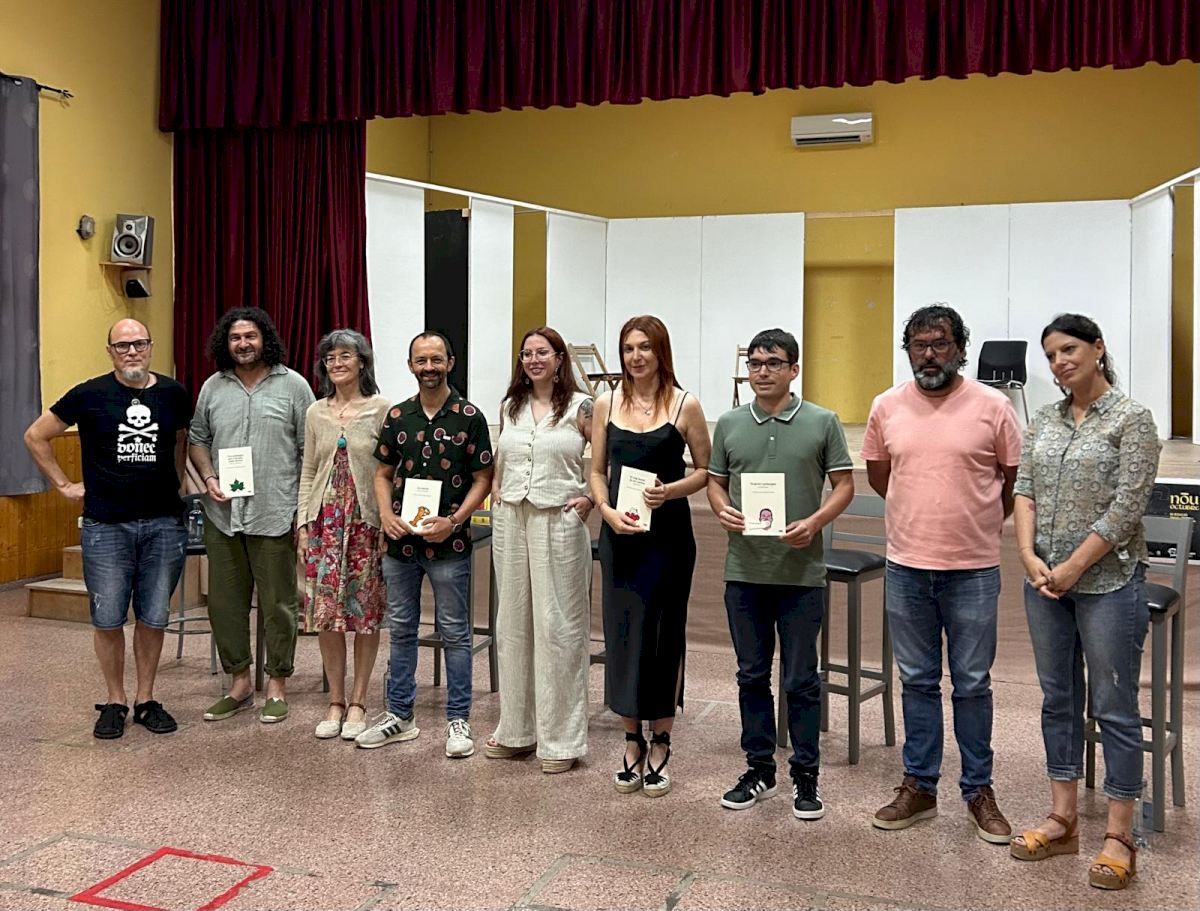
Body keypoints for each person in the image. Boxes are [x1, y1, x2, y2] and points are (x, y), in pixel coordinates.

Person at [1009, 314, 1160, 891]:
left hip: (1109, 583)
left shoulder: (1131, 418)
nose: (1059, 362)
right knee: (1058, 699)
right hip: (1045, 583)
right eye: (1051, 355)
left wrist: (1074, 566)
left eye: (1069, 349)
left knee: (1115, 706)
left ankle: (1120, 836)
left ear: (1098, 349)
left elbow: (1127, 507)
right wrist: (1028, 554)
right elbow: (1024, 490)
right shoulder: (1044, 420)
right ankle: (1062, 818)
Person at [862, 304, 1021, 843]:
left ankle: (978, 790)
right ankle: (920, 787)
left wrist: (973, 521)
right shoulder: (886, 406)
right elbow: (882, 478)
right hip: (907, 567)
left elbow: (1012, 482)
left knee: (972, 683)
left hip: (973, 569)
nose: (929, 355)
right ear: (907, 351)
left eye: (940, 344)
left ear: (960, 349)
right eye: (919, 345)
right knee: (918, 682)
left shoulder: (994, 407)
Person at [707, 328, 854, 820]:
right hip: (744, 570)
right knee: (751, 675)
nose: (762, 371)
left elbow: (844, 485)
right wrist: (722, 508)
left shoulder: (822, 421)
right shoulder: (730, 423)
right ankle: (759, 770)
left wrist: (815, 522)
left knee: (800, 679)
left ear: (794, 370)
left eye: (773, 363)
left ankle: (806, 776)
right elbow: (715, 483)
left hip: (800, 573)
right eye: (755, 363)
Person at [24, 319, 191, 739]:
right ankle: (115, 700)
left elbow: (181, 441)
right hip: (106, 527)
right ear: (110, 352)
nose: (132, 351)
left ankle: (146, 699)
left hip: (163, 523)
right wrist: (63, 485)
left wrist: (179, 487)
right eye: (122, 346)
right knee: (108, 617)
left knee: (154, 616)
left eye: (139, 344)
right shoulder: (89, 394)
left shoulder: (173, 393)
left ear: (150, 346)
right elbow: (36, 436)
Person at [589, 315, 710, 797]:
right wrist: (605, 510)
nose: (636, 356)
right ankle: (630, 739)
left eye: (645, 347)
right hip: (620, 532)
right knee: (623, 633)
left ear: (661, 352)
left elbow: (705, 470)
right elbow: (597, 471)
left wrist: (671, 490)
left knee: (663, 634)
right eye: (628, 348)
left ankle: (661, 739)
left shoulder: (685, 404)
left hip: (668, 537)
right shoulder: (606, 403)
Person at [359, 331, 493, 758]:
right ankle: (400, 715)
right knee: (401, 629)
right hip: (401, 543)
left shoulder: (469, 417)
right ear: (410, 365)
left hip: (448, 544)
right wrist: (385, 515)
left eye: (436, 359)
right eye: (421, 360)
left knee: (454, 632)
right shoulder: (399, 416)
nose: (429, 367)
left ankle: (458, 720)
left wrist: (454, 521)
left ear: (450, 363)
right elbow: (382, 473)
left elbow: (484, 479)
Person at [189, 307, 314, 724]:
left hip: (274, 511)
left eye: (250, 336)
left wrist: (302, 511)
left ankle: (277, 683)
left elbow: (308, 450)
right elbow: (198, 439)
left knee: (279, 604)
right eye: (235, 338)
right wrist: (209, 477)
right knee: (225, 605)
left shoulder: (293, 385)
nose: (243, 344)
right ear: (226, 344)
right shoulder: (213, 387)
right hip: (223, 514)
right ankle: (240, 683)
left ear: (265, 340)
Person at [486, 327, 594, 774]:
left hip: (559, 520)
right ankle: (516, 731)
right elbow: (500, 459)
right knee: (512, 624)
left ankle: (561, 740)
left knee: (559, 628)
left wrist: (591, 496)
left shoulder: (581, 407)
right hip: (511, 518)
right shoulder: (509, 406)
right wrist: (496, 494)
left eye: (542, 352)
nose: (533, 360)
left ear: (559, 358)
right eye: (526, 353)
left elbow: (607, 460)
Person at [297, 329, 390, 741]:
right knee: (326, 615)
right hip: (324, 523)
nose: (336, 363)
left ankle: (359, 700)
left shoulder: (382, 409)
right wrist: (303, 523)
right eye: (330, 358)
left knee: (365, 615)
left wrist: (387, 520)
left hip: (365, 523)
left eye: (345, 356)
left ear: (362, 362)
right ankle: (335, 700)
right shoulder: (315, 412)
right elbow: (308, 470)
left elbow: (390, 471)